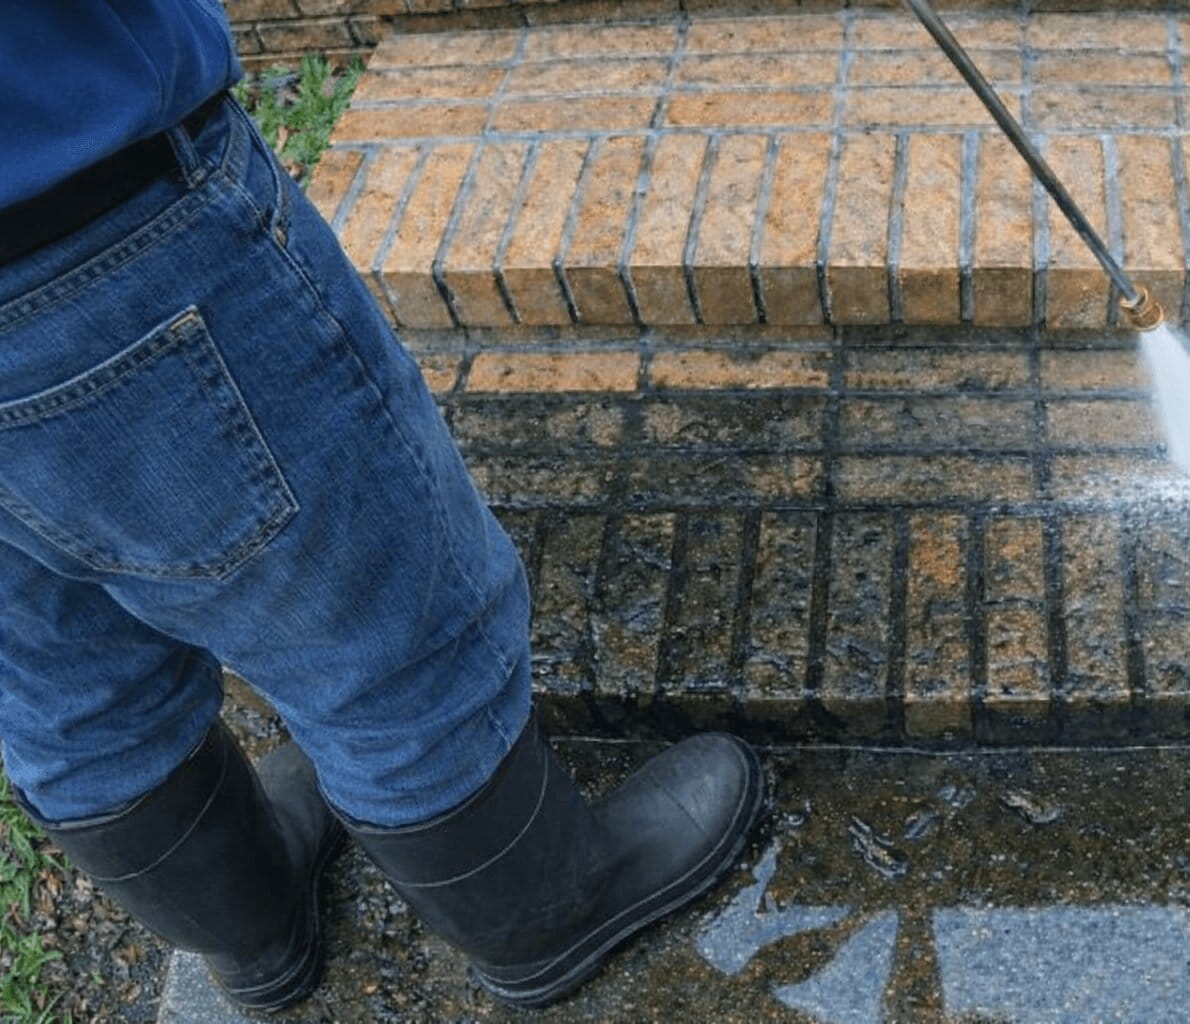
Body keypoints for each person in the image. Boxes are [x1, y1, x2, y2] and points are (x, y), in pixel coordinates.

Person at [0, 2, 764, 1012]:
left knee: (60, 683)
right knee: (382, 627)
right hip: (76, 223)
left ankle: (259, 934)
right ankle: (553, 915)